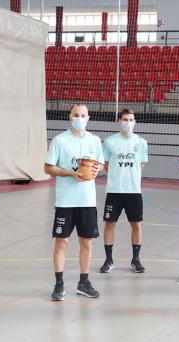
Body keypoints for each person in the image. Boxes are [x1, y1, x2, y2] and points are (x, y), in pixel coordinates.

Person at [44, 103, 103, 301]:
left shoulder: (94, 141)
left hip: (87, 200)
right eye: (76, 114)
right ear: (70, 116)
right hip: (65, 201)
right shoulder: (60, 140)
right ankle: (59, 284)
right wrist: (70, 173)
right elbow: (48, 167)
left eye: (83, 115)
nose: (79, 118)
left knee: (86, 242)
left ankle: (83, 282)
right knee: (62, 242)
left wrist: (97, 169)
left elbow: (101, 163)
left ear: (88, 118)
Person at [99, 109, 149, 274]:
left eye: (131, 119)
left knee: (136, 224)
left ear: (135, 122)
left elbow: (141, 164)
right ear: (119, 121)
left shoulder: (141, 142)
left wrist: (130, 176)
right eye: (125, 119)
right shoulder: (110, 141)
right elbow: (105, 164)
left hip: (133, 191)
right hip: (114, 191)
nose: (128, 122)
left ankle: (136, 260)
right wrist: (116, 176)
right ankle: (108, 259)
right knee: (110, 224)